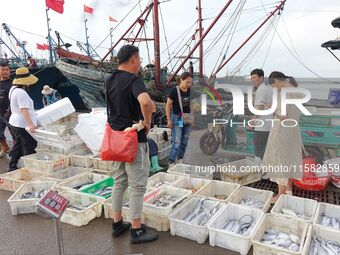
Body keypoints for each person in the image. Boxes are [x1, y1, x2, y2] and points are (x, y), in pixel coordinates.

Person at [106, 45, 158, 244]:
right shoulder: (134, 80)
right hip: (134, 139)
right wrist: (147, 123)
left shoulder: (109, 79)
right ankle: (136, 230)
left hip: (115, 139)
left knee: (119, 182)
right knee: (137, 186)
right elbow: (145, 102)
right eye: (140, 58)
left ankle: (117, 223)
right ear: (134, 58)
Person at [262, 71, 303, 202]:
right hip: (293, 131)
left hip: (282, 132)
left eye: (274, 86)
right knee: (290, 159)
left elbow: (282, 116)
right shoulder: (296, 89)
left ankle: (281, 194)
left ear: (278, 81)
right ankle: (289, 189)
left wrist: (271, 108)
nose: (275, 89)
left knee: (280, 160)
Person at [8, 67, 38, 171]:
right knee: (29, 145)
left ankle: (12, 166)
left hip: (14, 122)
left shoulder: (13, 89)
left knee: (18, 145)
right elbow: (24, 110)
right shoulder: (21, 93)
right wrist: (31, 125)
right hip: (22, 124)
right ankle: (29, 168)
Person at [166, 72, 194, 167]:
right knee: (177, 142)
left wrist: (193, 118)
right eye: (187, 82)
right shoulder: (174, 91)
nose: (189, 84)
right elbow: (168, 105)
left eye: (190, 83)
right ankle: (171, 161)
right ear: (181, 80)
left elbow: (190, 104)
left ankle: (179, 160)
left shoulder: (190, 90)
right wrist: (169, 120)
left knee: (184, 141)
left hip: (187, 119)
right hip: (178, 119)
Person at [250, 69, 273, 161]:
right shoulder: (264, 88)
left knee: (259, 151)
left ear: (261, 78)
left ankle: (259, 171)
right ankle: (265, 171)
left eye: (254, 77)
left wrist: (253, 120)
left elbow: (260, 107)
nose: (252, 79)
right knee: (264, 149)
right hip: (266, 125)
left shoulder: (262, 89)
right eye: (251, 77)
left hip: (262, 125)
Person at [0, 62, 14, 157]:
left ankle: (16, 151)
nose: (5, 72)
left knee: (15, 133)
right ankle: (5, 148)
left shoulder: (13, 83)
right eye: (3, 69)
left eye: (7, 70)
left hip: (10, 113)